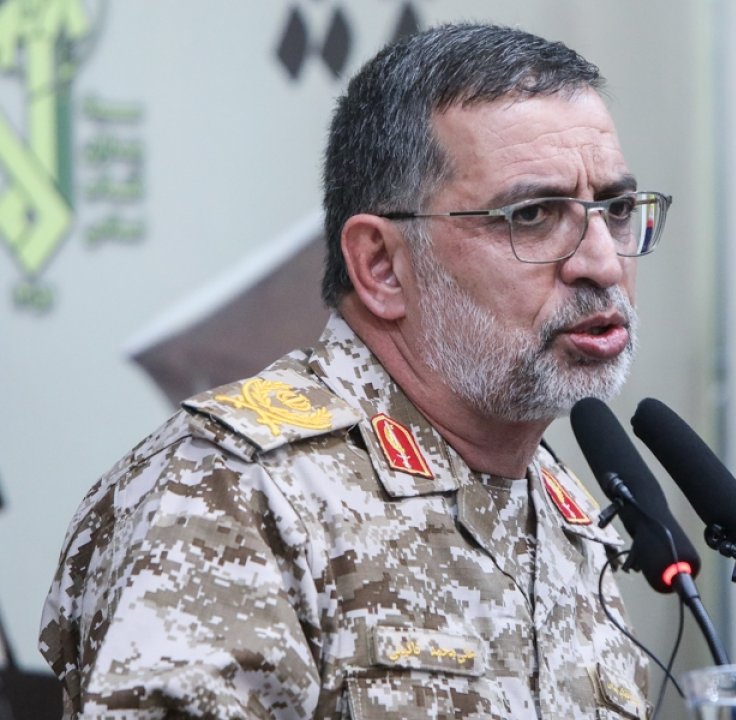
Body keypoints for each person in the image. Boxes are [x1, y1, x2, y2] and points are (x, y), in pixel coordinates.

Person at [39, 23, 672, 719]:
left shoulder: (568, 514)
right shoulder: (239, 488)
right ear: (381, 266)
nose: (603, 262)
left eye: (616, 210)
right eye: (532, 216)